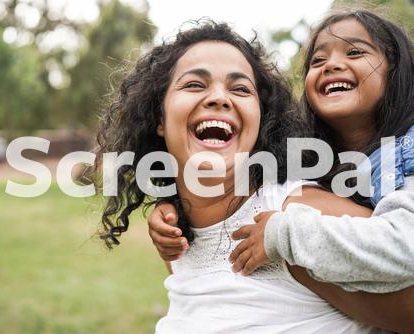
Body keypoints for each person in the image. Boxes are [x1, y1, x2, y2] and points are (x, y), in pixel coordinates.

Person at [90, 20, 392, 333]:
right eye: (194, 84)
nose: (220, 98)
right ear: (159, 118)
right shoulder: (177, 236)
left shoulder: (298, 215)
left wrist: (292, 249)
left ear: (261, 121)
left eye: (240, 89)